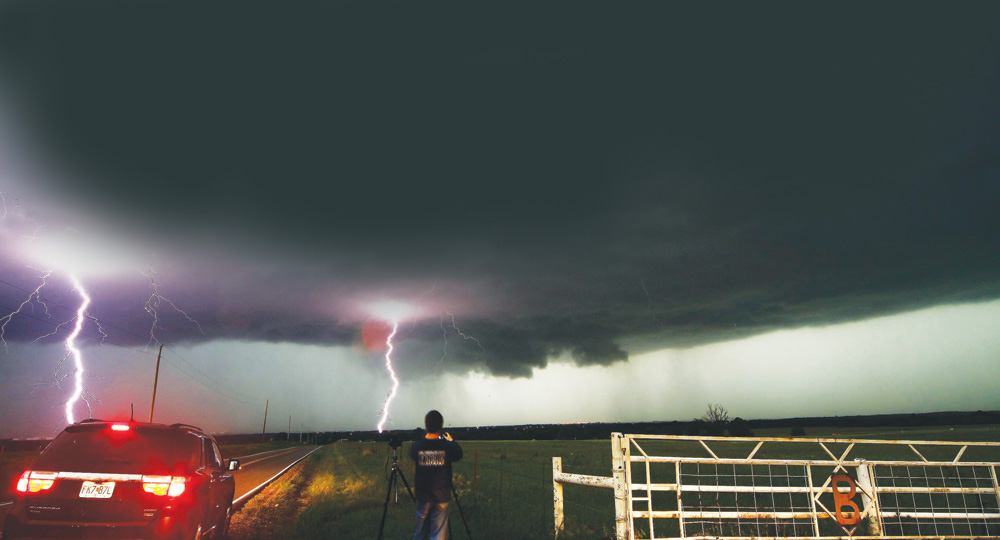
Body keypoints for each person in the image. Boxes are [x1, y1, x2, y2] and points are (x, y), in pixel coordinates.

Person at [409, 409, 463, 540]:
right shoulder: (448, 446)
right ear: (441, 426)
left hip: (422, 495)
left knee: (419, 533)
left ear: (426, 426)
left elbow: (412, 455)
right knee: (439, 535)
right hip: (441, 496)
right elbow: (459, 454)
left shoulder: (416, 446)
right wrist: (451, 441)